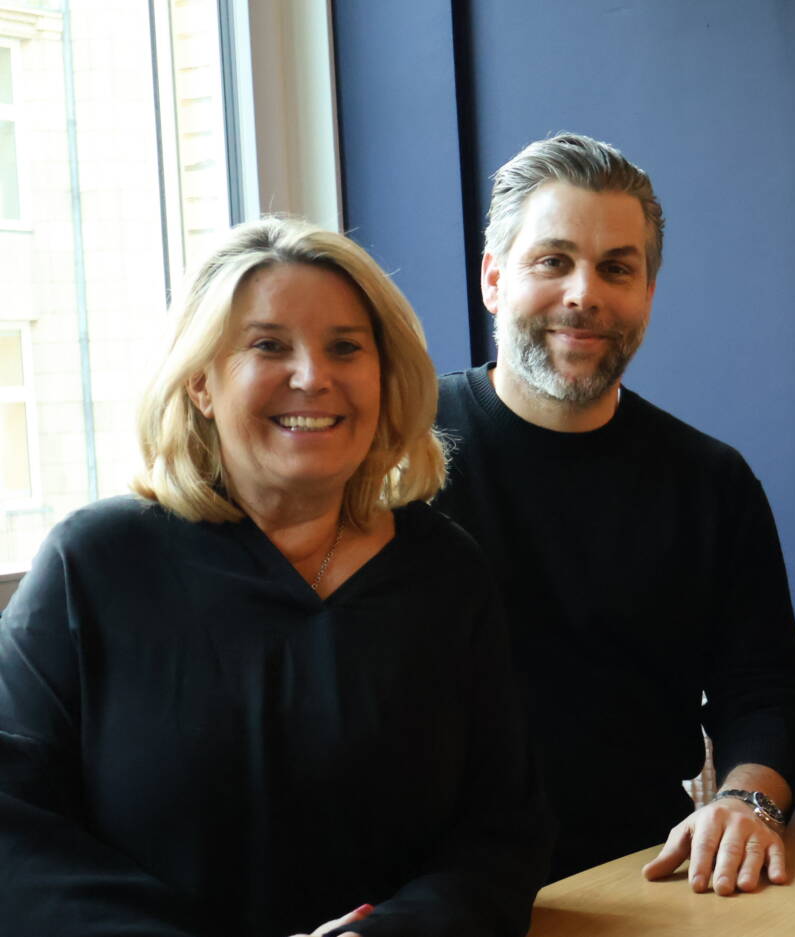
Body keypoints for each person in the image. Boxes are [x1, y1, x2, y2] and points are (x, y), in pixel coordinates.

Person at [0, 217, 552, 937]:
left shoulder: (446, 574)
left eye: (346, 347)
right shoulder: (92, 565)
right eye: (268, 345)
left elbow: (505, 830)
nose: (313, 376)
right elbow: (14, 833)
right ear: (200, 383)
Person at [432, 132, 795, 892]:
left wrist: (748, 802)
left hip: (640, 879)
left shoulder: (709, 479)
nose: (585, 293)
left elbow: (770, 697)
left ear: (647, 293)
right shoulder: (397, 454)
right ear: (493, 277)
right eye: (553, 261)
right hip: (432, 892)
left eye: (618, 268)